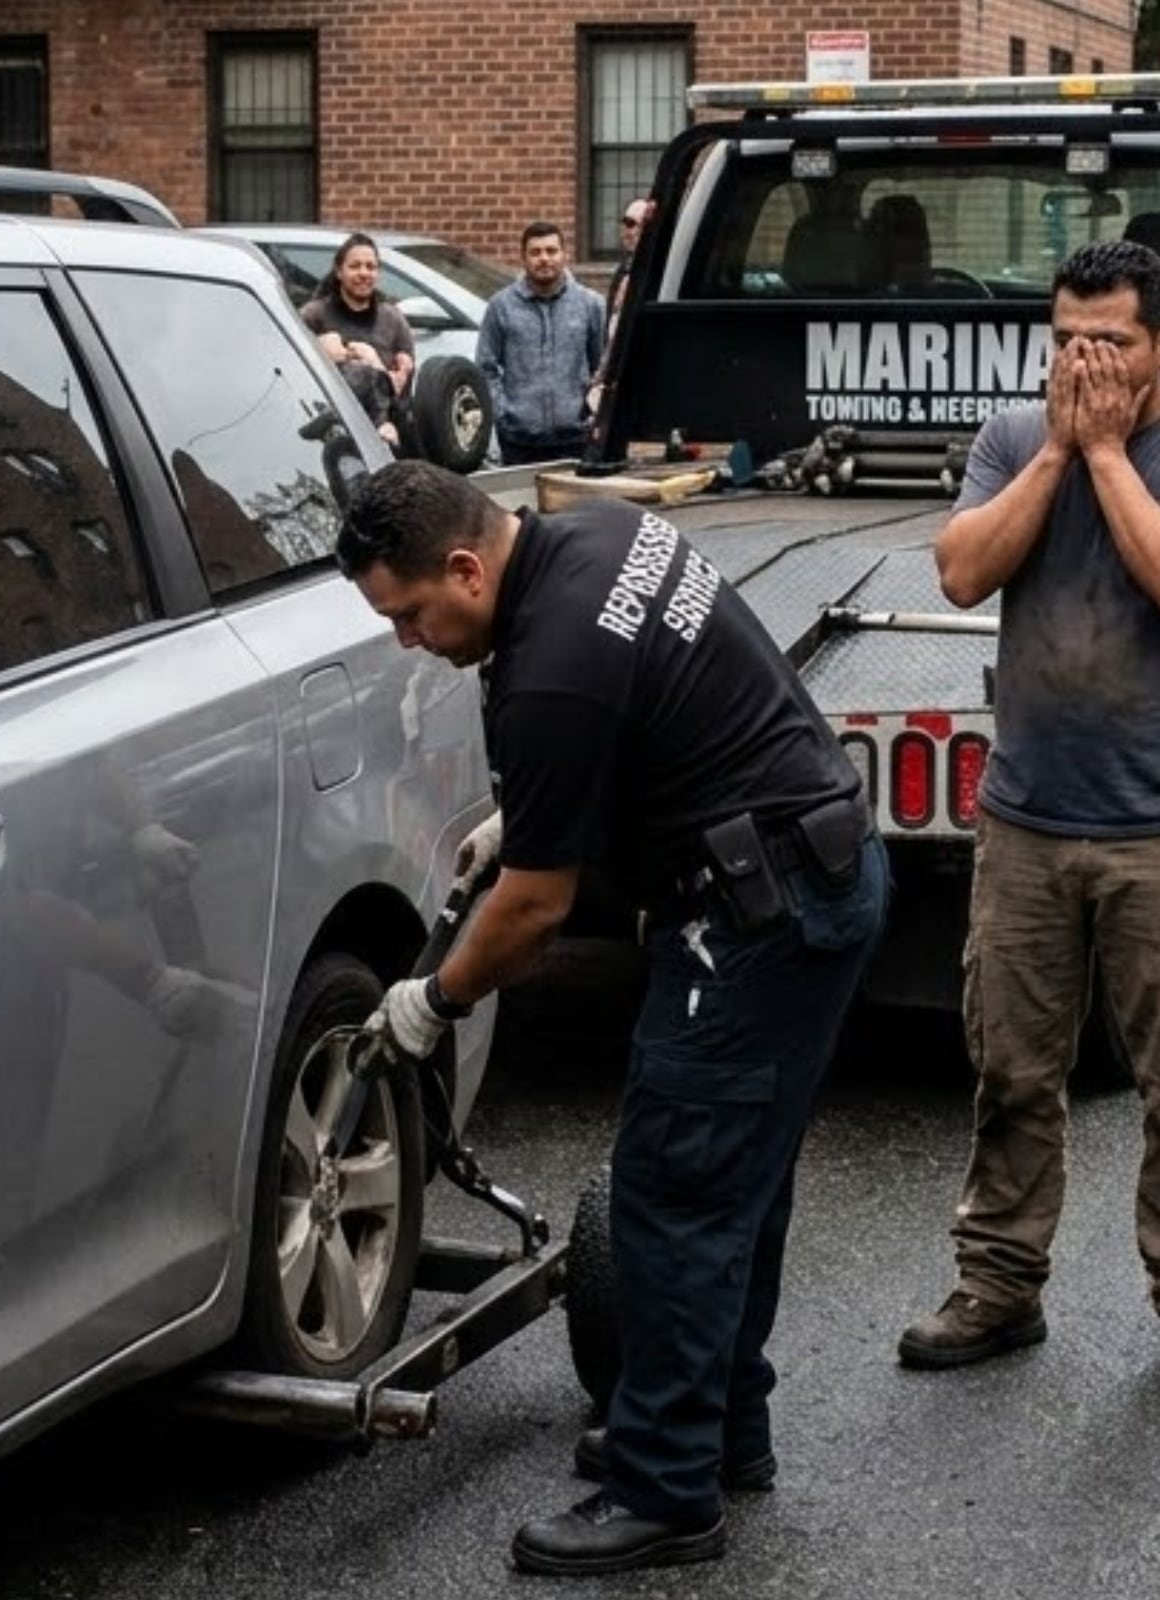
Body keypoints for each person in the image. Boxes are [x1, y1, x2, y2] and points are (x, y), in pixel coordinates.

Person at [337, 460, 889, 1576]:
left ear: (461, 565)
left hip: (754, 913)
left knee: (672, 1192)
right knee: (734, 1179)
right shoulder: (591, 537)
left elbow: (536, 909)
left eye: (408, 613)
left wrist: (430, 1003)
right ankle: (717, 1429)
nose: (409, 639)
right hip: (813, 873)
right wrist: (532, 810)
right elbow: (645, 706)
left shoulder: (547, 673)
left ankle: (663, 1492)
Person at [898, 238, 1160, 1369]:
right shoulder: (1015, 437)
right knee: (1011, 1071)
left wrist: (1107, 455)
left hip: (1155, 830)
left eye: (1112, 341)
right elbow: (960, 571)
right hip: (1030, 820)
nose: (1084, 361)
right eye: (1065, 343)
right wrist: (1058, 449)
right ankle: (999, 1285)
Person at [476, 221, 607, 466]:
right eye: (535, 252)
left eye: (551, 251)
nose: (544, 259)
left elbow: (601, 369)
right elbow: (486, 368)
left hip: (577, 439)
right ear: (523, 258)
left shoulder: (591, 305)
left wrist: (594, 416)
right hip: (519, 442)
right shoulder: (500, 307)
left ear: (564, 254)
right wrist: (502, 415)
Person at [301, 232, 416, 450]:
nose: (364, 273)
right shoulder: (313, 315)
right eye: (355, 266)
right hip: (329, 433)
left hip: (384, 435)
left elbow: (403, 396)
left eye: (370, 267)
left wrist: (383, 369)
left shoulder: (394, 320)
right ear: (339, 271)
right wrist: (321, 351)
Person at [588, 198, 654, 422]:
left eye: (641, 224)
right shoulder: (624, 269)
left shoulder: (658, 271)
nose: (632, 230)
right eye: (628, 222)